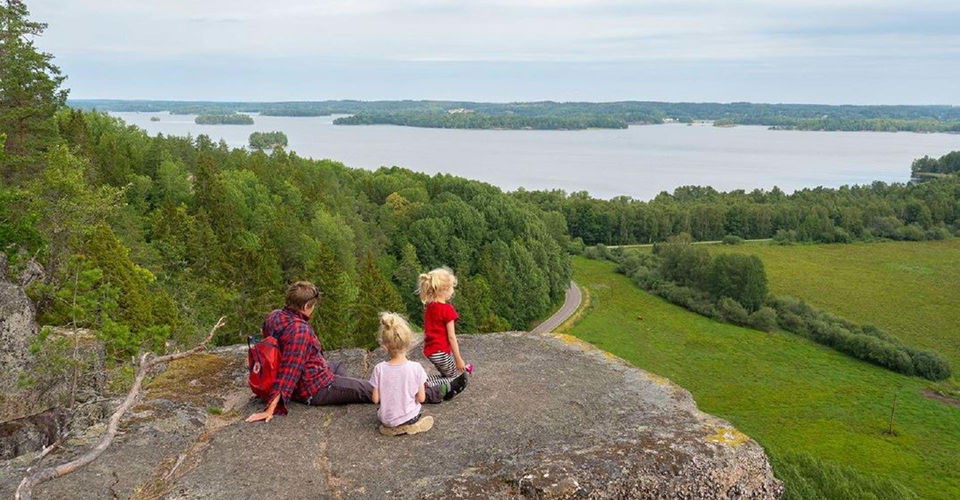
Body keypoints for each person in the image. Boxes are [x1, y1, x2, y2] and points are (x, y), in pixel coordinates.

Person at [246, 281, 372, 423]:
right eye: (312, 305)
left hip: (311, 373)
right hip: (312, 388)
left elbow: (271, 353)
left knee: (337, 366)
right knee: (370, 390)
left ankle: (343, 391)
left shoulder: (274, 316)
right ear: (306, 306)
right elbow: (289, 371)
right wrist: (271, 408)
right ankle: (340, 391)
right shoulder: (300, 330)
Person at [370, 312, 435, 436]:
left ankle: (391, 428)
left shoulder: (379, 369)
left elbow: (375, 399)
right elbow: (421, 398)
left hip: (386, 419)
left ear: (384, 346)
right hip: (410, 417)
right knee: (413, 410)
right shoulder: (416, 368)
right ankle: (411, 425)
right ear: (409, 342)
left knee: (382, 412)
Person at [417, 268, 470, 398]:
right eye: (452, 288)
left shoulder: (430, 306)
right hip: (441, 351)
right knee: (453, 378)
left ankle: (422, 382)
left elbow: (436, 328)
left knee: (446, 375)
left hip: (431, 350)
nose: (453, 291)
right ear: (444, 290)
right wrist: (459, 359)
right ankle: (424, 387)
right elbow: (451, 337)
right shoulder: (447, 309)